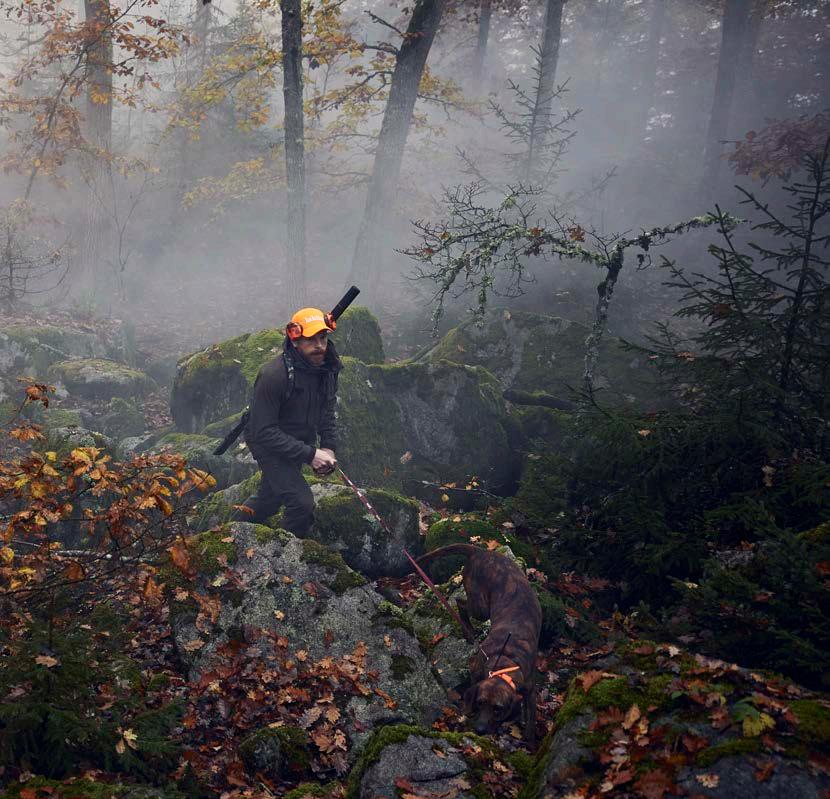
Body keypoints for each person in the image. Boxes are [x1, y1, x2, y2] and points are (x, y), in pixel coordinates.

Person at [234, 307, 342, 535]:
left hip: (298, 438)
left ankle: (232, 531)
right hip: (266, 442)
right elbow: (263, 431)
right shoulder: (274, 375)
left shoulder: (328, 368)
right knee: (301, 504)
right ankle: (286, 550)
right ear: (295, 339)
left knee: (270, 498)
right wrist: (310, 454)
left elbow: (327, 410)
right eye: (310, 339)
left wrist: (328, 448)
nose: (319, 345)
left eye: (323, 338)